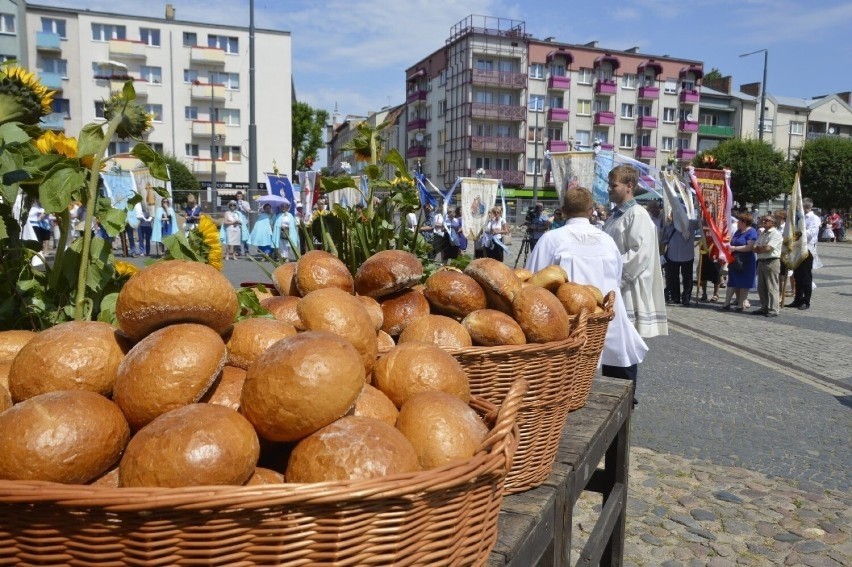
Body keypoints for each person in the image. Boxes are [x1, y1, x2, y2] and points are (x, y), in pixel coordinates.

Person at [527, 187, 648, 407]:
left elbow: (533, 284)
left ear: (562, 211)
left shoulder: (551, 240)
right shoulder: (607, 241)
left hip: (568, 325)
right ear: (591, 211)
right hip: (607, 322)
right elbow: (617, 276)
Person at [602, 165, 668, 339]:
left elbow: (640, 253)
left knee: (625, 353)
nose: (609, 188)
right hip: (614, 288)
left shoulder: (637, 214)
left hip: (627, 290)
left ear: (629, 186)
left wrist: (612, 276)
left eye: (614, 185)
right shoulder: (615, 216)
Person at [788, 198, 821, 310]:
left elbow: (812, 232)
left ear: (806, 207)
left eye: (800, 207)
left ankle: (806, 301)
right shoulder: (799, 218)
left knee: (806, 277)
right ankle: (797, 299)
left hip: (807, 250)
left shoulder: (814, 218)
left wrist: (798, 232)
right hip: (797, 249)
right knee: (797, 276)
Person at [721, 213, 758, 312]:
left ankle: (740, 305)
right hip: (735, 260)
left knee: (744, 284)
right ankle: (726, 303)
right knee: (732, 282)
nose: (737, 223)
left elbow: (749, 247)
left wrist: (734, 248)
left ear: (744, 222)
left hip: (746, 261)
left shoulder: (752, 232)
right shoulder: (738, 231)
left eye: (739, 221)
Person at [661, 216, 700, 307]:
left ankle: (686, 298)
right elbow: (664, 241)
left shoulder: (691, 223)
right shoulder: (669, 226)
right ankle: (675, 297)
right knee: (673, 278)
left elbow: (702, 223)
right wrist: (662, 254)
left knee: (687, 278)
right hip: (672, 256)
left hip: (687, 256)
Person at [751, 214, 783, 317]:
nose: (764, 222)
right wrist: (760, 248)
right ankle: (764, 307)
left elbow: (768, 248)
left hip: (772, 261)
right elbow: (754, 247)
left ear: (772, 223)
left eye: (767, 220)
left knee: (772, 286)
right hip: (761, 261)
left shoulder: (775, 234)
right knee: (761, 287)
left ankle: (774, 309)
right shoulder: (762, 233)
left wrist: (760, 248)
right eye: (763, 220)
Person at [234, 191, 252, 256]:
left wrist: (242, 206)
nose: (239, 197)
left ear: (242, 196)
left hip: (244, 221)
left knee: (245, 236)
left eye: (240, 196)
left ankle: (246, 251)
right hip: (237, 221)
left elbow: (249, 211)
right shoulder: (234, 203)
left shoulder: (246, 203)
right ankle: (238, 251)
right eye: (238, 196)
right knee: (237, 236)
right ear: (236, 197)